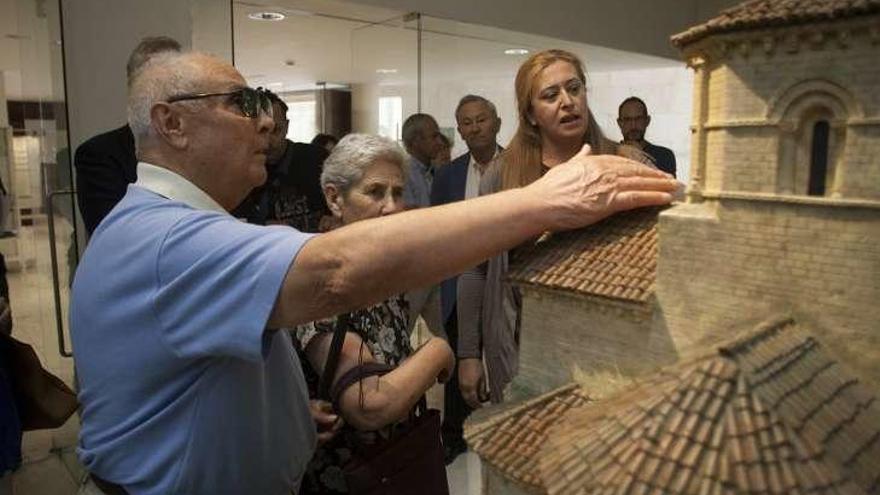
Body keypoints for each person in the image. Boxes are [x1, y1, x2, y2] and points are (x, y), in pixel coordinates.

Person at [71, 50, 675, 495]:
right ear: (171, 123)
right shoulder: (166, 237)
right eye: (243, 103)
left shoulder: (164, 224)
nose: (265, 122)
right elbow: (335, 272)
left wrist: (271, 408)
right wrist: (547, 200)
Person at [457, 49, 663, 409]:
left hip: (607, 347)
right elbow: (476, 266)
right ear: (530, 114)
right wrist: (468, 353)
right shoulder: (502, 174)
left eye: (574, 88)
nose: (567, 102)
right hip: (521, 344)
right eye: (550, 95)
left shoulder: (627, 165)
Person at [292, 133, 450, 493]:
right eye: (375, 192)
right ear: (335, 198)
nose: (392, 207)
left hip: (393, 461)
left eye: (398, 192)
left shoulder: (379, 269)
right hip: (350, 474)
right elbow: (369, 404)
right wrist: (439, 351)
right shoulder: (324, 283)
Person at [430, 94, 502, 463]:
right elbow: (436, 230)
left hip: (503, 282)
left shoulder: (516, 168)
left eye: (481, 120)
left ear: (497, 123)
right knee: (461, 354)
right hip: (459, 281)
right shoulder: (447, 176)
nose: (475, 128)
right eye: (467, 123)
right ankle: (455, 435)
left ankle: (503, 427)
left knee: (502, 354)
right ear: (459, 130)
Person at [74, 35, 182, 236]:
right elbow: (112, 232)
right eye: (160, 82)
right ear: (135, 87)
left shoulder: (195, 148)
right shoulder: (99, 154)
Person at [231, 92, 330, 232]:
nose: (268, 141)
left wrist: (335, 217)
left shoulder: (316, 158)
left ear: (287, 127)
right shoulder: (239, 169)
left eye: (276, 130)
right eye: (261, 130)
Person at [617, 96, 677, 177]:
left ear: (647, 121)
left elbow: (670, 186)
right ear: (620, 123)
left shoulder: (664, 155)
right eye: (627, 120)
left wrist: (641, 158)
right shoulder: (609, 155)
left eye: (638, 119)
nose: (633, 126)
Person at [401, 113, 443, 209]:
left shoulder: (436, 171)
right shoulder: (403, 174)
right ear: (416, 141)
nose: (440, 142)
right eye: (434, 137)